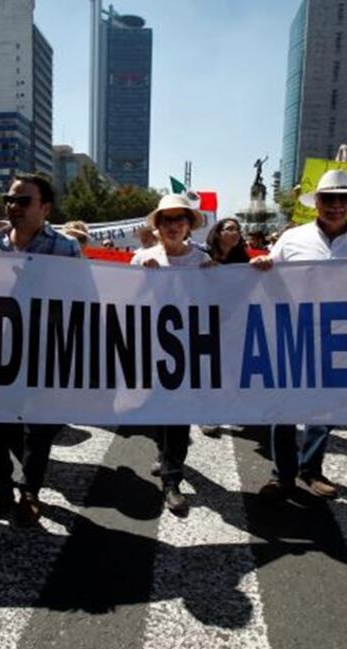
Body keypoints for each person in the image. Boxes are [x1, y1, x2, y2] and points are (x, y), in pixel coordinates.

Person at [250, 169, 347, 501]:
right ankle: (280, 474)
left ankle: (310, 469)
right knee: (282, 407)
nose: (336, 205)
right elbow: (267, 275)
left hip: (342, 334)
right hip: (293, 331)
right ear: (317, 203)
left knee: (324, 408)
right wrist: (265, 263)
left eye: (343, 199)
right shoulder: (292, 239)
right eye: (329, 199)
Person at [0, 174, 81, 524]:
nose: (13, 206)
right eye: (9, 199)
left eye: (23, 201)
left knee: (38, 429)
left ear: (45, 208)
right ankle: (0, 485)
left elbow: (82, 300)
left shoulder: (66, 248)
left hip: (45, 353)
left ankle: (30, 491)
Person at [132, 194, 213, 515]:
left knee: (178, 417)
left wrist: (218, 277)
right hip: (150, 350)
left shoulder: (203, 262)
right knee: (159, 411)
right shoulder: (141, 259)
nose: (173, 226)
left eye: (180, 220)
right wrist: (142, 280)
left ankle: (172, 479)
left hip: (189, 352)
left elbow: (221, 304)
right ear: (158, 225)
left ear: (189, 225)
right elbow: (125, 302)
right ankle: (165, 453)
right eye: (167, 220)